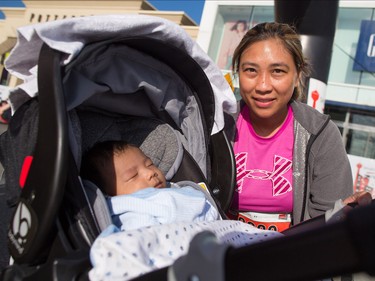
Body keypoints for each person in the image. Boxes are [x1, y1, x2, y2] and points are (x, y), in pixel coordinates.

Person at [225, 22, 371, 231]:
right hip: (219, 252)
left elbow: (327, 222)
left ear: (297, 75)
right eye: (250, 70)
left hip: (292, 255)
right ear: (238, 71)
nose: (263, 86)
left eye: (277, 71)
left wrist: (341, 213)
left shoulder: (320, 134)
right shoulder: (218, 126)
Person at [80, 140, 220, 231]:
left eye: (150, 164)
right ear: (109, 195)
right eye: (133, 176)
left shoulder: (179, 190)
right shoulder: (125, 212)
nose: (150, 173)